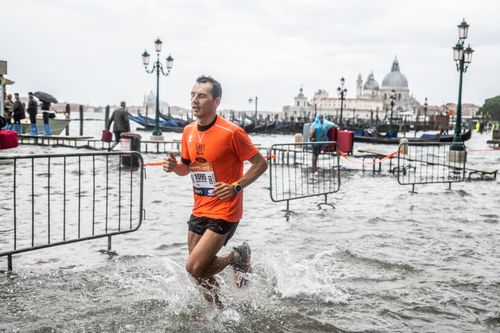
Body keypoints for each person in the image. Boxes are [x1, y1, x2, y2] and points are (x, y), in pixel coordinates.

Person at [163, 75, 268, 308]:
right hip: (200, 206)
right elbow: (187, 168)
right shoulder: (188, 131)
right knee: (200, 272)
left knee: (194, 267)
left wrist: (235, 187)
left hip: (225, 209)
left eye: (201, 96)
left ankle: (236, 256)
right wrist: (174, 168)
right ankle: (217, 310)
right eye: (192, 95)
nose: (194, 100)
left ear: (216, 101)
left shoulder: (231, 132)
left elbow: (261, 164)